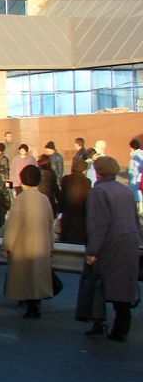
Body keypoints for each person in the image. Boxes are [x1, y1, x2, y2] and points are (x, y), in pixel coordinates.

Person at [85, 156, 141, 341]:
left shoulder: (99, 192)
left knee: (100, 284)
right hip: (129, 240)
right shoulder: (124, 190)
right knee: (123, 284)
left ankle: (100, 322)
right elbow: (134, 219)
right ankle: (121, 326)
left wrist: (92, 251)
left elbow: (98, 225)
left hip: (110, 243)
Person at [2, 165, 54, 319]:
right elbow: (50, 222)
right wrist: (50, 244)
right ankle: (35, 303)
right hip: (41, 242)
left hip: (23, 243)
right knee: (37, 276)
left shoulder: (21, 199)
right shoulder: (44, 198)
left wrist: (7, 245)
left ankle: (29, 304)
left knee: (24, 276)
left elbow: (14, 224)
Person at [57, 158, 91, 244]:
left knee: (66, 237)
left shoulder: (66, 179)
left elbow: (62, 196)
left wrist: (60, 209)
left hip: (68, 212)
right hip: (81, 213)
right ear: (84, 170)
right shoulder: (86, 182)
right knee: (79, 239)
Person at [128, 139, 143, 216]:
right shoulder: (140, 154)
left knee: (136, 192)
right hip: (138, 177)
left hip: (136, 177)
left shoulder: (135, 156)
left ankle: (138, 208)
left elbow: (137, 168)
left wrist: (132, 173)